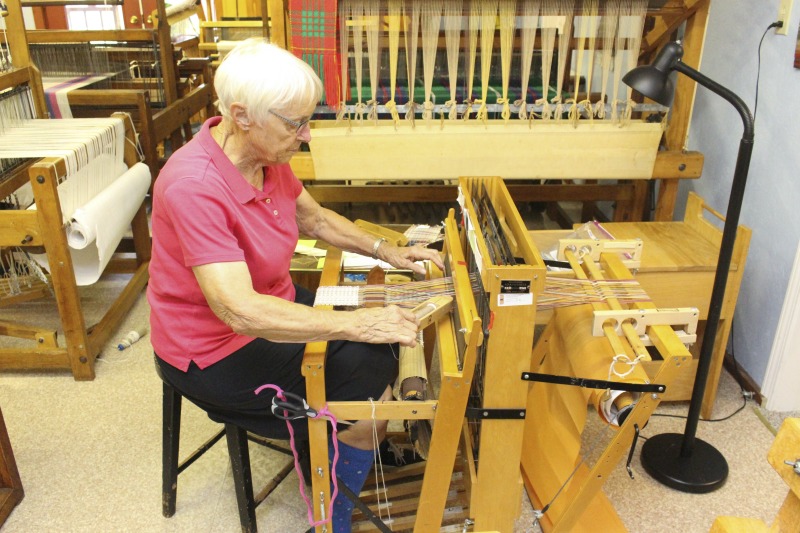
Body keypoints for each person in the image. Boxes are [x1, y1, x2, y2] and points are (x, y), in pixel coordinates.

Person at [147, 38, 444, 532]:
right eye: (295, 123)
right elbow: (238, 311)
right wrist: (356, 326)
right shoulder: (193, 186)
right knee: (367, 379)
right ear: (241, 115)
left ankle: (347, 443)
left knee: (376, 351)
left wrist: (386, 250)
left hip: (268, 307)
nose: (306, 135)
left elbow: (315, 219)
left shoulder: (266, 156)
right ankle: (334, 510)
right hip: (215, 349)